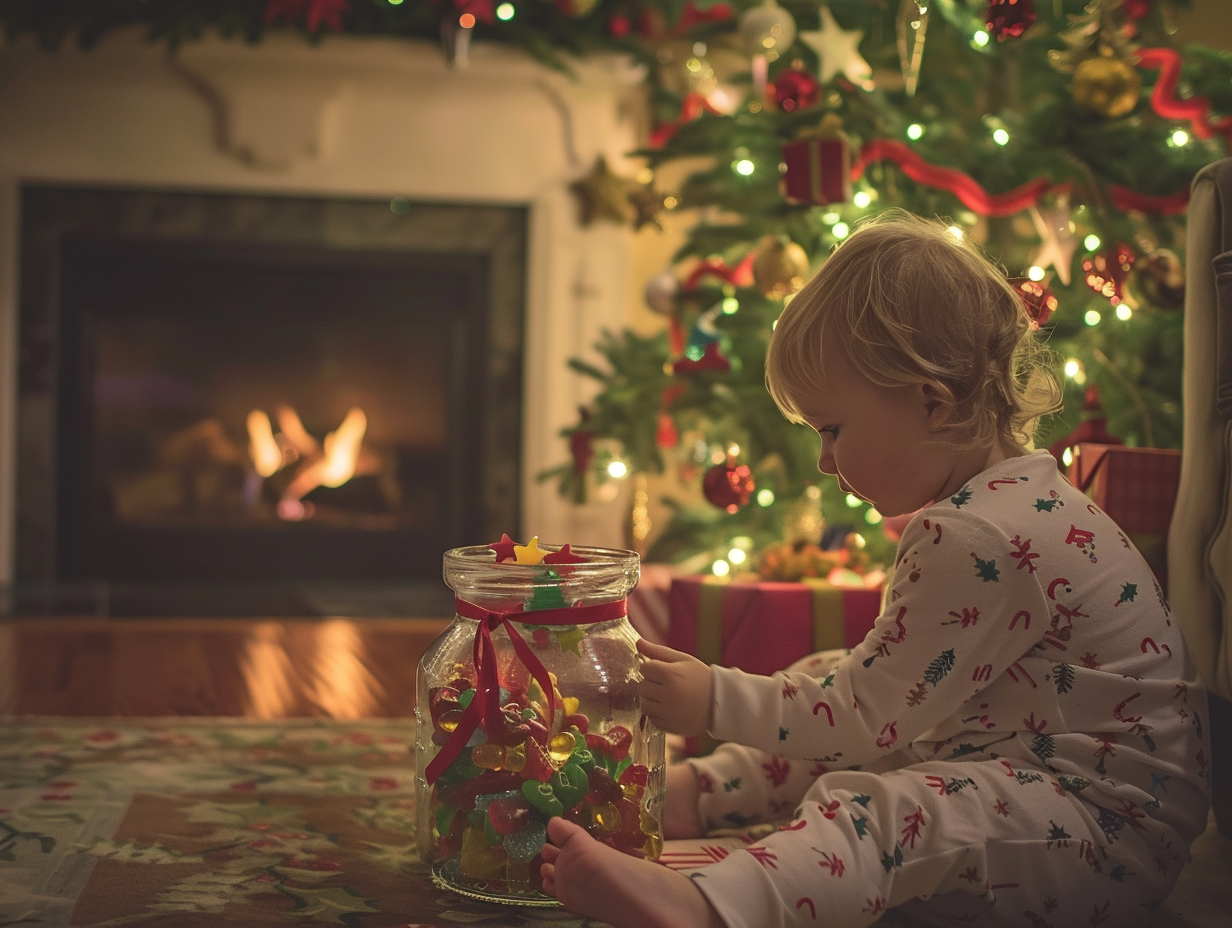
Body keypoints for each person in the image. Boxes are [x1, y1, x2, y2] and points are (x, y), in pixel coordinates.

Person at [539, 212, 1211, 928]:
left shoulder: (977, 533)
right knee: (837, 674)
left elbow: (861, 719)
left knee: (880, 801)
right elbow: (878, 702)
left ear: (930, 400)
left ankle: (709, 905)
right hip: (1062, 788)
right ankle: (691, 796)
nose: (825, 462)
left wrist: (713, 699)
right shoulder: (1015, 495)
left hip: (1104, 839)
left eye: (831, 429)